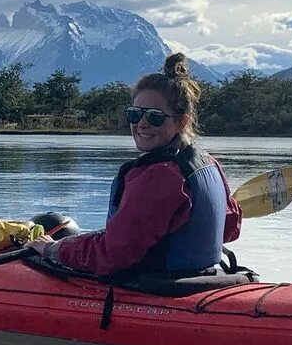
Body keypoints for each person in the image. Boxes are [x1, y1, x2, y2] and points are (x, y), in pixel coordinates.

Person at [25, 53, 241, 277]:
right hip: (199, 279)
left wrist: (51, 249)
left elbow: (112, 255)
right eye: (135, 114)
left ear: (181, 121)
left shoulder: (160, 176)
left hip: (156, 290)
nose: (142, 124)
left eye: (155, 117)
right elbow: (230, 228)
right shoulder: (209, 164)